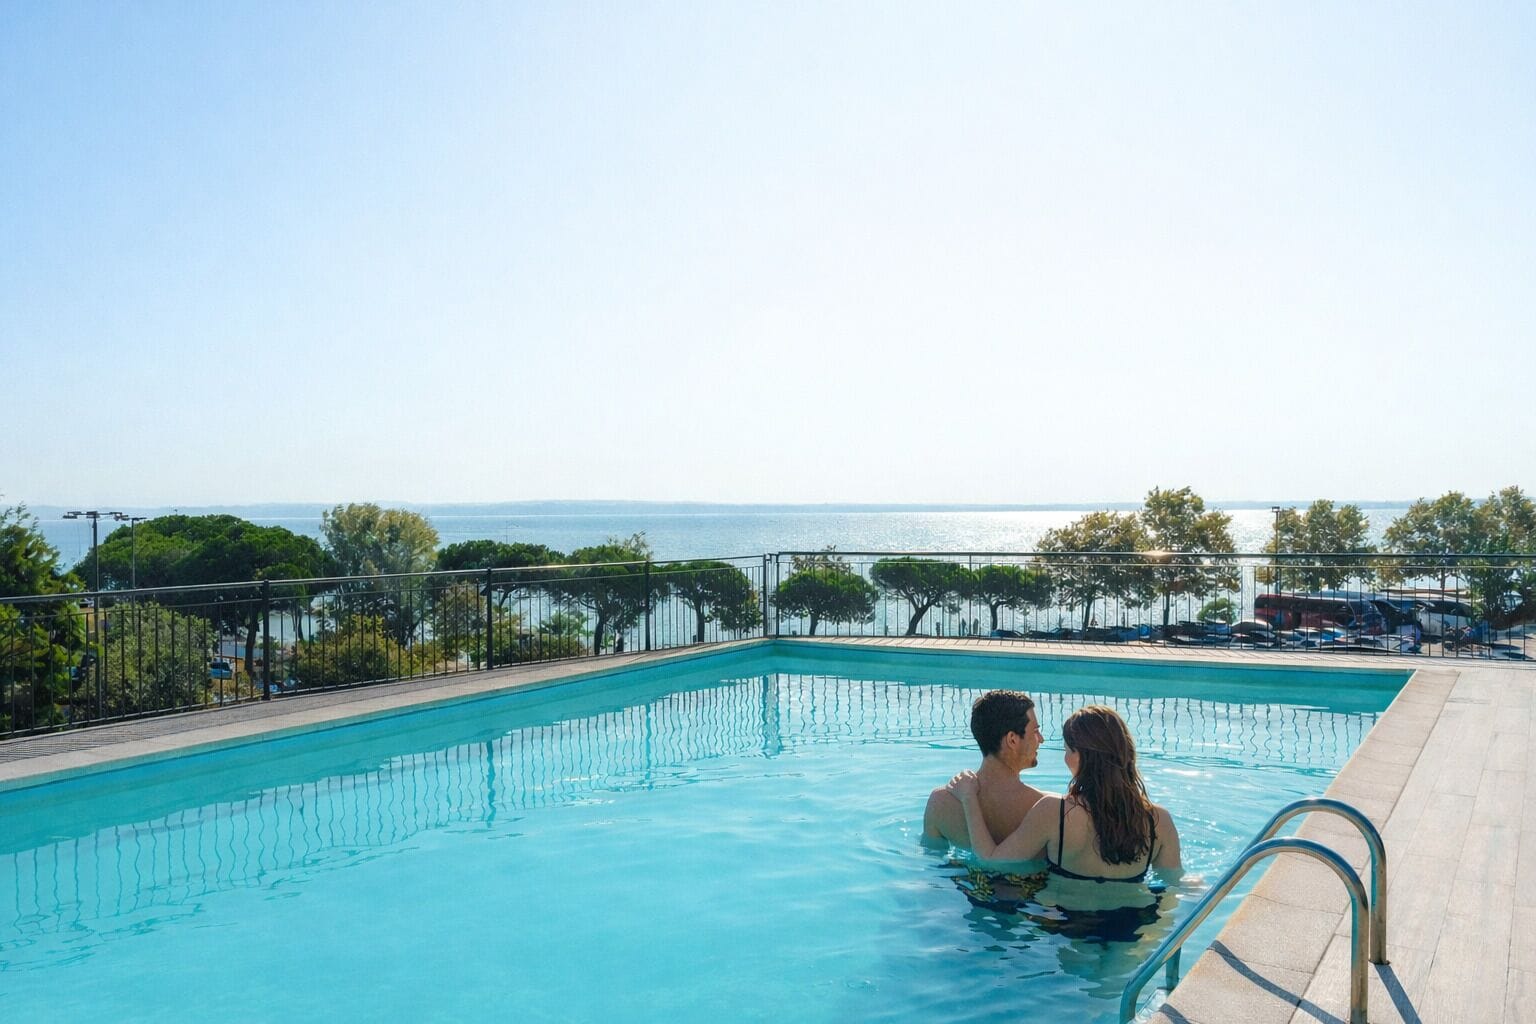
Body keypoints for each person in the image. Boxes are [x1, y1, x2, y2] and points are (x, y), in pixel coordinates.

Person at [948, 705, 1181, 884]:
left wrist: (969, 798)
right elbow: (1174, 885)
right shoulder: (1159, 821)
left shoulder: (1055, 812)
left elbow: (990, 862)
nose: (1065, 757)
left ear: (1081, 757)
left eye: (1068, 750)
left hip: (1069, 930)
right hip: (1134, 929)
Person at [923, 690, 1046, 848]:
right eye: (1035, 731)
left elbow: (932, 864)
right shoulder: (1044, 807)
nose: (1041, 739)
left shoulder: (939, 803)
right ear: (1012, 740)